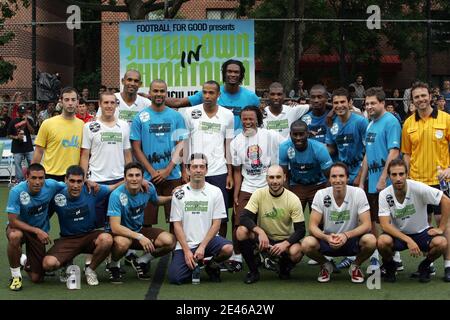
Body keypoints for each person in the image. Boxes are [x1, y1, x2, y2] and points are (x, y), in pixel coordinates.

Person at [42, 165, 121, 286]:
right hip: (68, 239)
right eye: (72, 181)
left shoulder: (92, 190)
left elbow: (113, 187)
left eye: (79, 181)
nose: (75, 185)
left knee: (107, 239)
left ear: (84, 181)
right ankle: (66, 263)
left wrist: (135, 180)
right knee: (48, 264)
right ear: (65, 180)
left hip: (89, 236)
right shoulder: (57, 196)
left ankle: (90, 270)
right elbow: (44, 215)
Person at [302, 162, 376, 283]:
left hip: (351, 239)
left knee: (371, 240)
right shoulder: (321, 194)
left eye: (341, 176)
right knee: (306, 244)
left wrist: (346, 235)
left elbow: (367, 224)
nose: (338, 180)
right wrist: (326, 238)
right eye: (334, 176)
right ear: (329, 179)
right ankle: (325, 265)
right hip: (328, 240)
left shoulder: (358, 193)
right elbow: (312, 226)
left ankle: (355, 266)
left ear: (347, 178)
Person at [377, 159, 450, 282]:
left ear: (407, 174)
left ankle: (425, 266)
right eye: (394, 175)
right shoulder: (384, 194)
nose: (398, 178)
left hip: (421, 233)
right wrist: (409, 240)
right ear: (389, 176)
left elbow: (446, 201)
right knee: (382, 241)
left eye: (401, 174)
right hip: (399, 235)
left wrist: (441, 228)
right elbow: (384, 225)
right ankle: (390, 266)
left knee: (442, 242)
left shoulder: (417, 187)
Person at [230, 106, 284, 271]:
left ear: (258, 119)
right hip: (248, 187)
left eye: (251, 118)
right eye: (244, 119)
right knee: (239, 222)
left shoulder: (270, 136)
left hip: (269, 186)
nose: (247, 122)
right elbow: (238, 171)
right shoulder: (236, 142)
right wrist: (236, 194)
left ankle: (270, 255)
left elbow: (289, 144)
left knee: (271, 222)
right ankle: (238, 256)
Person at [130, 79, 186, 234]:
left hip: (172, 174)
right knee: (146, 220)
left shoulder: (176, 116)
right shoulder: (140, 117)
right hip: (148, 177)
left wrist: (168, 170)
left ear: (166, 93)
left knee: (175, 219)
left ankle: (176, 250)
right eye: (155, 91)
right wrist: (152, 172)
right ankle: (147, 254)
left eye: (162, 91)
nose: (159, 94)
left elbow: (182, 145)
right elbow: (136, 148)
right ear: (150, 93)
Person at [168, 153, 233, 284]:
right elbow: (177, 225)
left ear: (206, 170)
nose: (198, 170)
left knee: (228, 248)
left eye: (201, 167)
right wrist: (186, 251)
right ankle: (194, 264)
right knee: (175, 278)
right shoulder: (179, 194)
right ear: (187, 170)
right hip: (187, 245)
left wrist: (202, 247)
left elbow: (216, 224)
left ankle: (211, 265)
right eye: (194, 167)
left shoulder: (215, 192)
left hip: (208, 242)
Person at [107, 162, 176, 283]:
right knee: (123, 243)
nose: (134, 179)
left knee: (169, 241)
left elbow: (156, 200)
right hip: (120, 234)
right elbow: (115, 227)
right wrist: (140, 237)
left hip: (138, 229)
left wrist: (172, 198)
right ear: (125, 178)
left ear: (142, 178)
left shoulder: (148, 188)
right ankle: (113, 264)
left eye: (137, 175)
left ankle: (141, 261)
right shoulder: (116, 195)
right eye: (130, 175)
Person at [181, 80, 234, 237]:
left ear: (219, 95)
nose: (207, 96)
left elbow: (228, 145)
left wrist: (230, 173)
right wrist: (184, 169)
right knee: (194, 213)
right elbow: (185, 142)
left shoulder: (227, 115)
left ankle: (219, 251)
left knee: (221, 216)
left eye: (211, 93)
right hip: (195, 170)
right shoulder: (190, 113)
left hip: (219, 171)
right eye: (205, 92)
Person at [358, 87, 402, 273]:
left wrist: (384, 178)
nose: (369, 106)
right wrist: (361, 180)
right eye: (367, 104)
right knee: (374, 219)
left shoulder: (391, 121)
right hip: (373, 180)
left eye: (373, 103)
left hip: (387, 181)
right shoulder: (370, 124)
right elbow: (367, 154)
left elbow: (394, 151)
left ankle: (396, 258)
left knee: (390, 220)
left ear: (383, 103)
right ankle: (378, 255)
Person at [237, 165, 305, 284]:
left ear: (284, 178)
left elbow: (301, 230)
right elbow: (244, 217)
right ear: (266, 179)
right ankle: (254, 272)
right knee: (241, 231)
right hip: (264, 240)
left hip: (285, 240)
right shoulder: (259, 194)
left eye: (278, 177)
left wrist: (285, 244)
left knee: (296, 251)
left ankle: (283, 267)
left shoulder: (293, 199)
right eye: (271, 177)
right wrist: (260, 231)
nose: (274, 181)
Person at [5, 163, 66, 290]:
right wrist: (37, 230)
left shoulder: (51, 185)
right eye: (33, 178)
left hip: (38, 231)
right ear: (27, 176)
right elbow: (12, 221)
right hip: (19, 227)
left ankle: (24, 262)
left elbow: (71, 185)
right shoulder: (16, 191)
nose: (37, 182)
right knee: (15, 236)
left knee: (37, 278)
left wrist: (87, 182)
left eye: (41, 178)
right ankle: (16, 277)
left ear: (45, 178)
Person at [165, 59, 260, 135]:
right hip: (217, 147)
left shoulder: (251, 97)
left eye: (236, 72)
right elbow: (178, 103)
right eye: (229, 71)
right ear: (224, 73)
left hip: (241, 146)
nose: (232, 74)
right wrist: (152, 96)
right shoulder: (211, 93)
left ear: (241, 75)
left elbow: (259, 123)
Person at [80, 91, 132, 229]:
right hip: (96, 181)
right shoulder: (89, 127)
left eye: (112, 103)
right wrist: (84, 179)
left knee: (119, 223)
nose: (109, 106)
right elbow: (85, 155)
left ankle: (126, 251)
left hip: (120, 180)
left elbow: (127, 154)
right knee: (97, 225)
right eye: (106, 102)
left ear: (116, 105)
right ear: (100, 104)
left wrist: (129, 177)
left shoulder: (124, 126)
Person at [401, 81, 450, 227]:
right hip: (417, 181)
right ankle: (427, 251)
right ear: (412, 100)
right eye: (416, 97)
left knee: (443, 221)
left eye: (423, 95)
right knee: (423, 223)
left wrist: (449, 169)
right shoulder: (408, 123)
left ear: (430, 96)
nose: (420, 99)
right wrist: (406, 177)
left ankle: (446, 251)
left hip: (440, 180)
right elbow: (407, 154)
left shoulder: (446, 119)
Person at [32, 87, 84, 181]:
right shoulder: (48, 123)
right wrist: (32, 175)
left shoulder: (82, 125)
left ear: (77, 102)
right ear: (61, 102)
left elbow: (84, 154)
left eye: (73, 100)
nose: (70, 103)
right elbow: (39, 151)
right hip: (50, 176)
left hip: (73, 178)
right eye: (66, 100)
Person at [279, 120, 332, 210]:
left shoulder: (319, 148)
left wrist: (323, 194)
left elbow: (330, 177)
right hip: (297, 185)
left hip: (318, 185)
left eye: (301, 134)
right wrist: (288, 195)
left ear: (307, 134)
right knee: (294, 218)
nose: (298, 138)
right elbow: (284, 176)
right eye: (295, 134)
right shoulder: (284, 147)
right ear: (290, 134)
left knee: (320, 221)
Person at [326, 88, 368, 185]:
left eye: (342, 102)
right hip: (341, 173)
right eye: (336, 103)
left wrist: (360, 175)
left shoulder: (361, 122)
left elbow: (369, 150)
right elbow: (331, 149)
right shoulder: (331, 123)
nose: (339, 105)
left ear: (350, 103)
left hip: (360, 170)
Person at [7, 105, 35, 183]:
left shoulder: (29, 120)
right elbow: (8, 135)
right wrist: (17, 137)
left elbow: (32, 132)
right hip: (17, 147)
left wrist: (27, 122)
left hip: (28, 147)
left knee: (32, 164)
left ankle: (31, 179)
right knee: (18, 165)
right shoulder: (13, 121)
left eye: (24, 112)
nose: (23, 114)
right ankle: (20, 181)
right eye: (21, 112)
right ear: (18, 112)